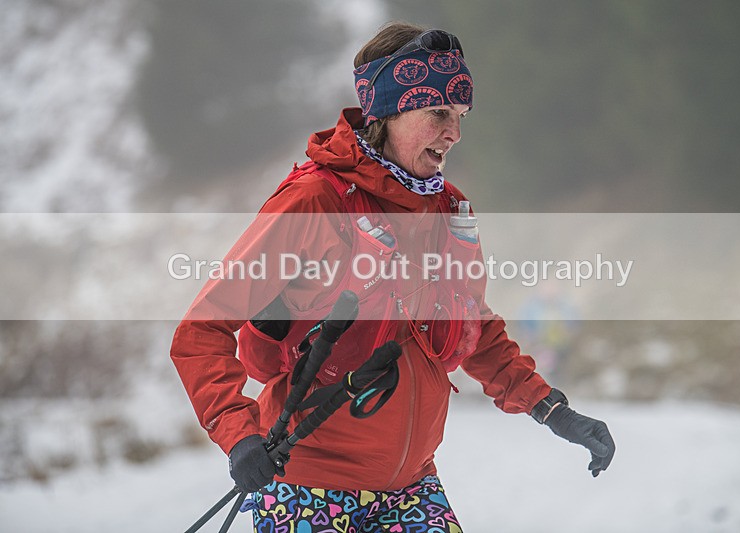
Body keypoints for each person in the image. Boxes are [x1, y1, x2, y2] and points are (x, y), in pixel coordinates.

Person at [171, 22, 615, 532]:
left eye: (461, 116)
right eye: (439, 113)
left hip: (410, 487)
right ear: (387, 110)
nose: (455, 133)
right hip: (307, 482)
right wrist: (240, 434)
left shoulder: (447, 211)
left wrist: (552, 409)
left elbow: (472, 327)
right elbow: (200, 331)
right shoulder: (314, 202)